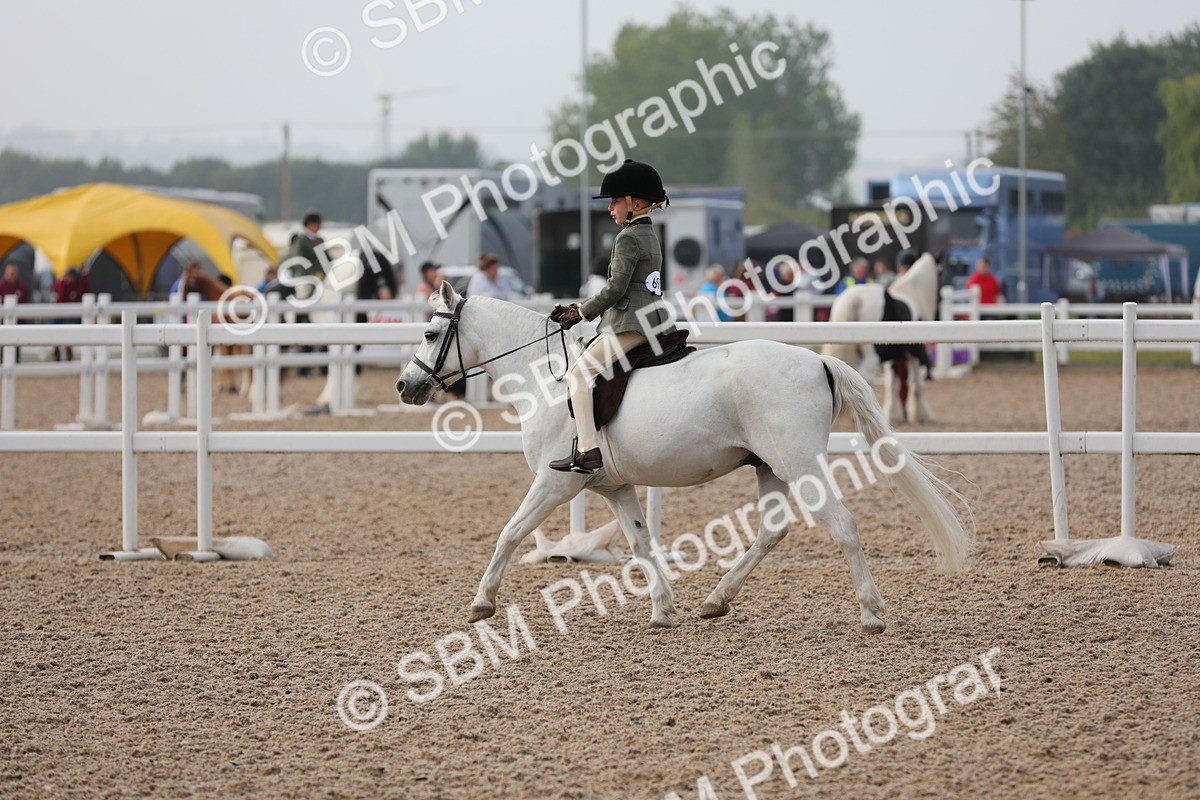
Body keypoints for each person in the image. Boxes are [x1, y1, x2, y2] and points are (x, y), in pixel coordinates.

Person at [548, 159, 671, 474]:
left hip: (630, 324)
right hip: (650, 319)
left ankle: (589, 449)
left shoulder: (628, 237)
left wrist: (581, 312)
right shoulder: (648, 234)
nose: (610, 208)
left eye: (616, 201)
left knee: (577, 375)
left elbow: (615, 289)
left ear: (637, 203)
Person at [51, 267, 89, 361]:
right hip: (59, 314)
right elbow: (59, 299)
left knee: (69, 330)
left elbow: (82, 287)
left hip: (70, 315)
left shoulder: (77, 287)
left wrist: (84, 275)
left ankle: (68, 352)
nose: (69, 279)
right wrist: (63, 283)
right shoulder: (61, 285)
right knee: (55, 330)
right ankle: (56, 351)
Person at [0, 262, 30, 362]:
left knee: (16, 349)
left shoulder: (22, 287)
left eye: (13, 273)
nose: (11, 276)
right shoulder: (1, 286)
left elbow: (26, 302)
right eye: (9, 273)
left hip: (18, 324)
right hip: (2, 324)